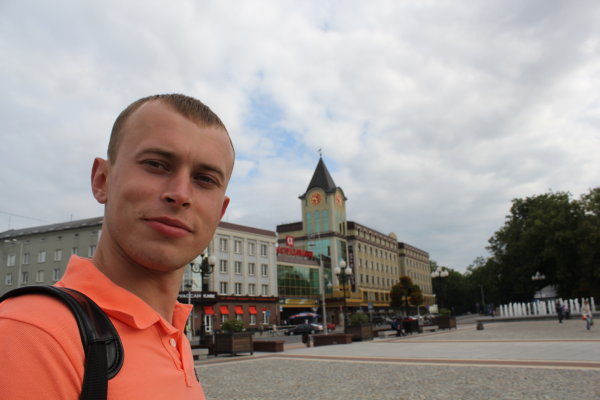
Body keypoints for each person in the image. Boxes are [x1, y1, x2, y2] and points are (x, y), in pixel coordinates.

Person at [0, 94, 235, 399]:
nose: (180, 194)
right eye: (156, 165)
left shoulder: (174, 333)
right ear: (102, 180)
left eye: (204, 179)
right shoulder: (32, 332)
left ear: (219, 212)